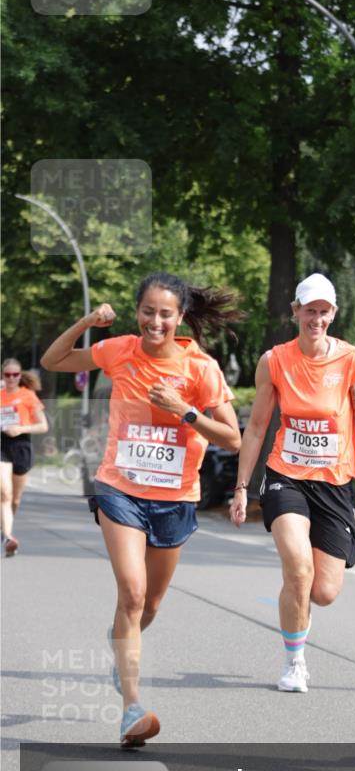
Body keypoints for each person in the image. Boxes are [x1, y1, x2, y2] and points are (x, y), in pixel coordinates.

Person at [41, 273, 242, 746]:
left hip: (175, 497)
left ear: (181, 316)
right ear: (137, 312)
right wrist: (89, 321)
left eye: (165, 313)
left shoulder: (201, 368)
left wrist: (185, 411)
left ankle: (119, 644)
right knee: (131, 594)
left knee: (149, 604)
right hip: (120, 488)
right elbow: (52, 360)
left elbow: (232, 437)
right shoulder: (120, 350)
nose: (155, 321)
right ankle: (132, 708)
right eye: (147, 311)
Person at [230, 273, 355, 692]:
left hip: (334, 483)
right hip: (286, 476)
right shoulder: (274, 360)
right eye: (309, 310)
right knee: (298, 569)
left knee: (324, 591)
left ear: (333, 314)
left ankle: (298, 604)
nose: (316, 318)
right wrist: (242, 486)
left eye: (324, 311)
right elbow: (258, 426)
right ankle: (294, 663)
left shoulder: (353, 359)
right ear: (295, 311)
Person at [1, 359, 49, 556]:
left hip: (21, 445)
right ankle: (9, 537)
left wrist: (20, 428)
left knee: (15, 500)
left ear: (20, 376)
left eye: (15, 375)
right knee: (4, 493)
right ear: (3, 376)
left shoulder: (28, 396)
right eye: (7, 375)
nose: (11, 378)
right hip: (1, 444)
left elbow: (43, 426)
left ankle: (4, 527)